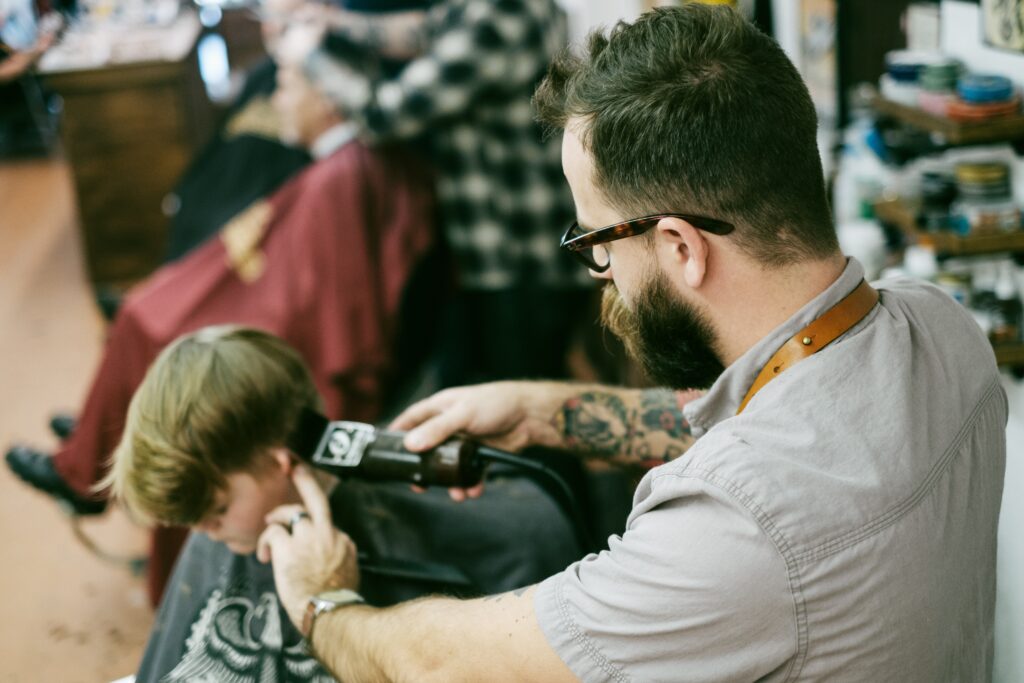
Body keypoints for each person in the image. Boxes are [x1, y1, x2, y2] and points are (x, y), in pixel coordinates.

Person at [256, 5, 1007, 681]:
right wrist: (543, 412)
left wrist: (324, 602)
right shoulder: (943, 328)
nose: (602, 272)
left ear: (681, 247)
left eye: (598, 241)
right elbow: (788, 424)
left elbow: (437, 664)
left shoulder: (729, 532)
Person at [6, 60, 436, 604]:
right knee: (148, 309)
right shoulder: (343, 168)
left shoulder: (341, 178)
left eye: (288, 87)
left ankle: (89, 463)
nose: (277, 101)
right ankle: (106, 438)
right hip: (275, 314)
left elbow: (332, 323)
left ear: (328, 99)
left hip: (284, 344)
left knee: (147, 323)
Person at [107, 325, 580, 683]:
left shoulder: (513, 533)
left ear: (282, 462)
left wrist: (329, 603)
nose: (204, 532)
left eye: (215, 511)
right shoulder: (232, 528)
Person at [278, 0, 596, 385]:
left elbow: (384, 114)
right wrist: (331, 21)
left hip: (523, 255)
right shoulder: (476, 8)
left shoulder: (505, 10)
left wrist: (310, 57)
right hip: (496, 256)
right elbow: (422, 31)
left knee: (522, 396)